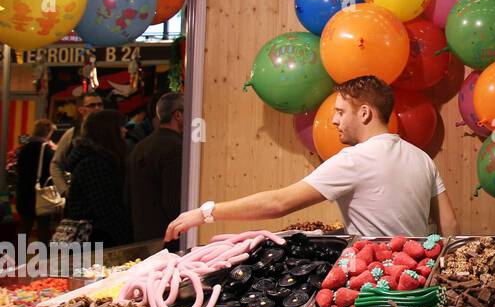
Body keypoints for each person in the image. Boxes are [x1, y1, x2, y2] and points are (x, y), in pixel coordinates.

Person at [167, 76, 457, 241]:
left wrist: (206, 212)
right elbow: (449, 225)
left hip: (376, 285)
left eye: (341, 111)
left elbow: (278, 203)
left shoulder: (353, 160)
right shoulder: (421, 158)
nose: (333, 120)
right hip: (420, 276)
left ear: (366, 113)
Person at [62, 108, 133, 249]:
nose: (124, 131)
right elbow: (106, 208)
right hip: (93, 241)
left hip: (94, 238)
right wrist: (127, 240)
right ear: (108, 131)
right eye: (120, 127)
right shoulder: (93, 162)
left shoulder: (97, 158)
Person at [127, 92, 184, 245]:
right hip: (169, 238)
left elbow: (128, 195)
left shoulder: (140, 147)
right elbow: (174, 200)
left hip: (142, 234)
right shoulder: (176, 148)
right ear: (178, 115)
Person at [50, 92, 104, 196]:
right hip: (80, 194)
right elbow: (56, 164)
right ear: (81, 110)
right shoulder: (73, 133)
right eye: (92, 105)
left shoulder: (110, 132)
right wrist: (64, 190)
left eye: (100, 104)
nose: (97, 108)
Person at [14, 120, 56, 239]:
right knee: (43, 228)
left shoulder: (23, 149)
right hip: (42, 195)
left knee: (24, 227)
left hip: (24, 193)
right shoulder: (47, 150)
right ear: (48, 133)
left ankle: (18, 256)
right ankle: (43, 257)